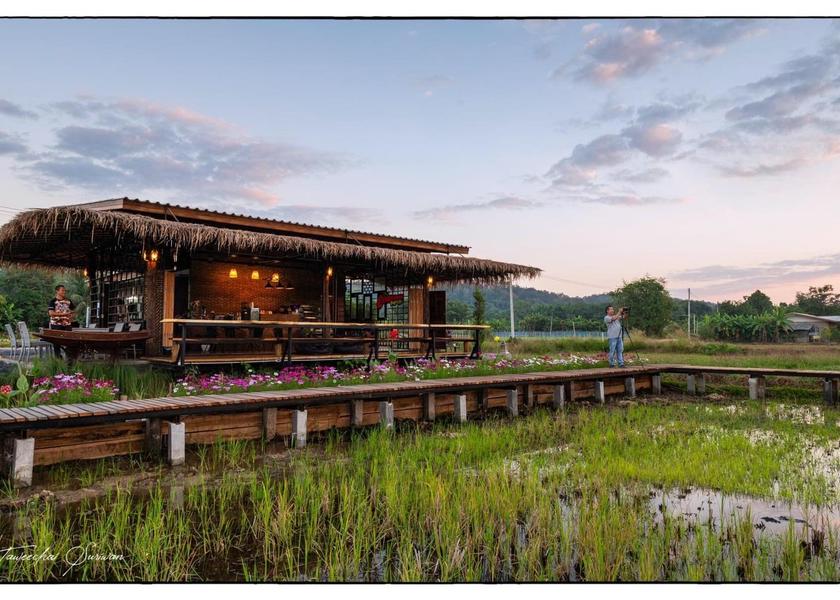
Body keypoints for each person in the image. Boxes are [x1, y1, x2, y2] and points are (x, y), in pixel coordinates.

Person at [47, 284, 76, 356]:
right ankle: (58, 360)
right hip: (56, 325)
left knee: (69, 342)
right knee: (56, 343)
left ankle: (69, 360)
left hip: (67, 325)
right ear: (57, 291)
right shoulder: (53, 301)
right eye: (62, 290)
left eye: (64, 290)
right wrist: (64, 314)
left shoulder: (68, 301)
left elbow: (73, 311)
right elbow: (51, 313)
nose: (64, 292)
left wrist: (71, 316)